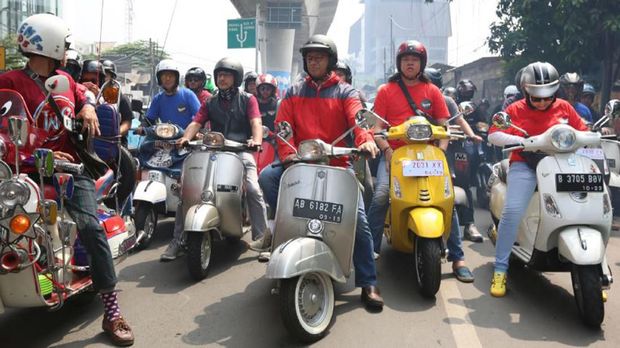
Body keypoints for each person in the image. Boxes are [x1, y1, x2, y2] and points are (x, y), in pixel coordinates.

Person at [0, 13, 134, 345]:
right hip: (23, 169)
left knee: (89, 226)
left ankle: (112, 313)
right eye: (65, 45)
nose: (66, 51)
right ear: (53, 44)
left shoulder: (66, 80)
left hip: (69, 171)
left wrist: (88, 107)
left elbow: (86, 94)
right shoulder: (10, 81)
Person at [257, 34, 384, 309]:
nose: (314, 62)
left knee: (359, 221)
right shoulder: (293, 92)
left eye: (319, 57)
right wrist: (287, 153)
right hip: (300, 162)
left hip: (337, 164)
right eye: (310, 57)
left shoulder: (345, 92)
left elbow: (358, 118)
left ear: (331, 60)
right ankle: (279, 227)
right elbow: (283, 127)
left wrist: (365, 140)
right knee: (267, 177)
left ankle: (368, 281)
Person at [366, 41, 475, 283]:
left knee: (447, 198)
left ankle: (458, 258)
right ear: (399, 63)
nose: (410, 63)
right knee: (383, 193)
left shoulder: (432, 91)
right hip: (397, 156)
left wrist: (441, 151)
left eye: (415, 59)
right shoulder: (386, 91)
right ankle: (370, 251)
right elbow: (376, 129)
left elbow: (444, 127)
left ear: (422, 63)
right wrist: (386, 152)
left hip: (428, 156)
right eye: (405, 59)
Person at [487, 61, 588, 297]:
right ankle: (501, 269)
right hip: (525, 164)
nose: (542, 102)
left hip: (561, 164)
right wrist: (520, 142)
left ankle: (595, 270)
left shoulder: (564, 107)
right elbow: (493, 134)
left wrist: (588, 137)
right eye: (536, 97)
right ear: (526, 91)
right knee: (512, 212)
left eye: (547, 97)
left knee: (583, 204)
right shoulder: (514, 110)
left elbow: (581, 130)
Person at [165, 57, 270, 261]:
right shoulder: (210, 101)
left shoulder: (248, 99)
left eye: (226, 75)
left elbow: (256, 122)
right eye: (219, 75)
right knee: (186, 189)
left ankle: (262, 238)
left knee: (254, 189)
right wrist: (186, 138)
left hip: (240, 150)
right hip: (213, 150)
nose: (222, 79)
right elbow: (196, 122)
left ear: (236, 78)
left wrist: (256, 140)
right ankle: (177, 240)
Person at [453, 79, 484, 242]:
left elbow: (460, 120)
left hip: (457, 146)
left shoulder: (450, 102)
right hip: (431, 149)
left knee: (464, 183)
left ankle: (469, 224)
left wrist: (472, 134)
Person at [145, 59, 200, 129]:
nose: (167, 79)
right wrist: (142, 127)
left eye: (170, 76)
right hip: (166, 135)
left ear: (177, 78)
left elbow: (200, 117)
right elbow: (149, 119)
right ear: (159, 79)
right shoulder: (157, 99)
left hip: (188, 136)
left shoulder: (188, 95)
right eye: (164, 76)